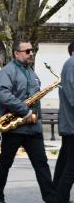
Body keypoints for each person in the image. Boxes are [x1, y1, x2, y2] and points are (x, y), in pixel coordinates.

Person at [0, 39, 59, 203]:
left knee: (41, 165)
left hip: (33, 127)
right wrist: (25, 111)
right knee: (5, 163)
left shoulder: (32, 73)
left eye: (32, 50)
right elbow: (3, 95)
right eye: (27, 51)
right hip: (15, 127)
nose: (31, 53)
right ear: (16, 53)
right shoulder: (6, 72)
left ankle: (50, 199)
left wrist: (36, 119)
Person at [54, 42, 74, 203]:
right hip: (73, 125)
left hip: (70, 124)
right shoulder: (72, 64)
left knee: (64, 164)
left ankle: (56, 196)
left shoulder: (70, 65)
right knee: (71, 167)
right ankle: (60, 198)